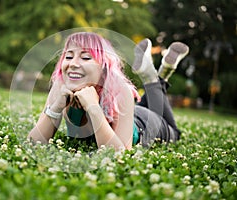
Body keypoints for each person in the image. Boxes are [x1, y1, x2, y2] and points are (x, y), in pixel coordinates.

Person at [27, 32, 189, 150]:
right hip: (129, 112)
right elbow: (34, 142)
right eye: (68, 57)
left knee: (175, 133)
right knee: (150, 99)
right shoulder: (60, 85)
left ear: (103, 68)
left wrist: (93, 107)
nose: (73, 64)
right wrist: (56, 107)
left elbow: (118, 153)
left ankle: (152, 77)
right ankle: (161, 74)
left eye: (85, 57)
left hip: (146, 124)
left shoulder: (120, 90)